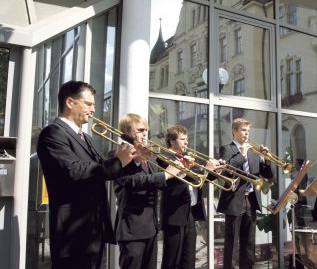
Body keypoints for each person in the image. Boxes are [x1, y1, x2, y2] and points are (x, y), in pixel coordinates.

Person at [36, 81, 137, 269]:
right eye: (88, 104)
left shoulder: (87, 138)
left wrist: (133, 158)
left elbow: (103, 171)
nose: (93, 109)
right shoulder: (53, 134)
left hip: (93, 229)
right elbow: (76, 171)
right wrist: (118, 161)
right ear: (69, 102)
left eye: (93, 105)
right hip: (72, 233)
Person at [113, 113, 183, 269]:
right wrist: (165, 173)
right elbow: (131, 182)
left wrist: (182, 171)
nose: (145, 134)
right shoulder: (118, 154)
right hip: (132, 230)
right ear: (127, 132)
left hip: (150, 228)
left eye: (146, 130)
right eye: (140, 130)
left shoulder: (149, 157)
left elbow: (160, 184)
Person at [159, 125, 222, 269]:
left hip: (190, 214)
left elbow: (199, 180)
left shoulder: (186, 158)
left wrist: (214, 171)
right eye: (182, 139)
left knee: (188, 260)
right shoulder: (164, 157)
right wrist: (205, 169)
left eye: (187, 139)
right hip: (174, 214)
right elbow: (185, 178)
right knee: (171, 261)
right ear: (172, 141)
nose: (187, 142)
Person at [217, 118, 275, 269]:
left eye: (248, 131)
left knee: (249, 241)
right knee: (232, 241)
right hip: (234, 200)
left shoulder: (253, 152)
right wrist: (241, 155)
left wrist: (267, 160)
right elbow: (225, 171)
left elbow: (267, 175)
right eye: (243, 130)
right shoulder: (227, 149)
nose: (246, 134)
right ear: (234, 131)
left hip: (251, 200)